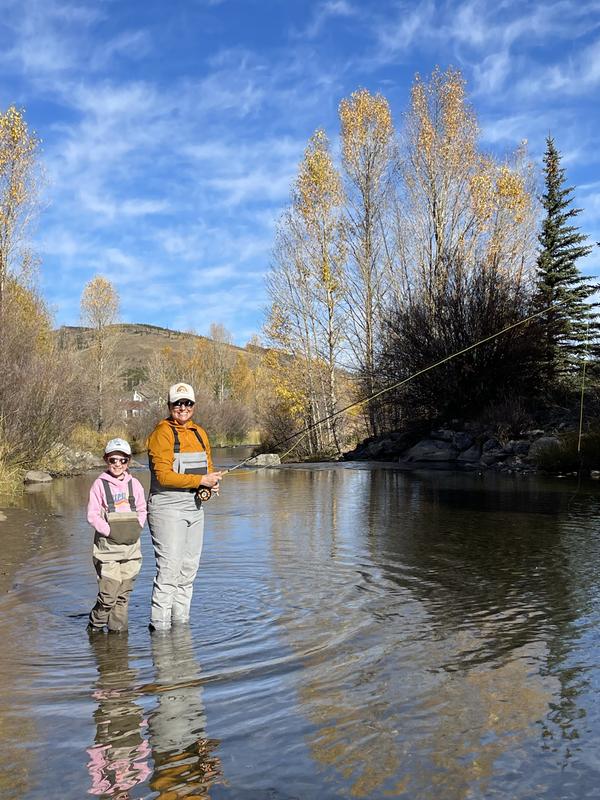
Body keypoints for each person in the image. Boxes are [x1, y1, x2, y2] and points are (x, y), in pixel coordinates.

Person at [146, 382, 222, 632]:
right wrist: (201, 480)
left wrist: (209, 486)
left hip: (195, 507)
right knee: (169, 573)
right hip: (166, 507)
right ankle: (160, 633)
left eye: (187, 403)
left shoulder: (200, 433)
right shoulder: (162, 433)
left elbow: (207, 469)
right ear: (169, 406)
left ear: (193, 406)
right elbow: (164, 476)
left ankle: (181, 631)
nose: (182, 407)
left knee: (188, 573)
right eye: (177, 403)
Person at [87, 437, 147, 634]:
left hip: (131, 550)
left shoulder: (135, 484)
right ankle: (94, 629)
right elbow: (92, 516)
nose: (118, 464)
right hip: (107, 552)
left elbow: (142, 510)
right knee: (108, 596)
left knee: (123, 597)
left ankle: (118, 638)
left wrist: (137, 527)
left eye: (123, 460)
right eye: (113, 460)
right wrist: (110, 531)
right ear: (106, 460)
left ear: (128, 461)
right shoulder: (99, 485)